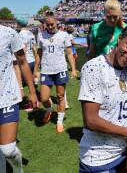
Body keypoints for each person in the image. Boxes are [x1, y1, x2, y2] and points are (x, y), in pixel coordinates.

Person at [78, 24, 127, 172]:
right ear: (119, 38)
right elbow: (91, 120)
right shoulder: (94, 68)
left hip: (121, 154)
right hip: (98, 157)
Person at [0, 24, 37, 173]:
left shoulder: (8, 33)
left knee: (8, 149)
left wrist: (32, 91)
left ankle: (17, 168)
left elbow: (22, 61)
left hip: (7, 96)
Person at [34, 11, 77, 133]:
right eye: (48, 24)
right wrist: (36, 69)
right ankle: (49, 110)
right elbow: (39, 53)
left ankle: (59, 122)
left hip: (60, 70)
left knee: (60, 96)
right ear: (44, 24)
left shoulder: (64, 35)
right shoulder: (41, 35)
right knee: (44, 98)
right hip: (46, 71)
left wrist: (73, 68)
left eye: (52, 24)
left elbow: (69, 53)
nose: (50, 26)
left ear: (56, 22)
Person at [16, 17, 39, 111]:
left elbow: (24, 49)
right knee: (31, 83)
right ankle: (37, 100)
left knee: (23, 85)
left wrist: (20, 62)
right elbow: (34, 48)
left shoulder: (21, 34)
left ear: (19, 24)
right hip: (32, 60)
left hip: (26, 62)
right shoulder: (31, 33)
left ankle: (31, 104)